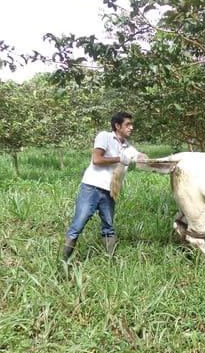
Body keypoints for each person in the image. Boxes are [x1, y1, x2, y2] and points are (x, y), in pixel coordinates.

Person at [62, 111, 146, 262]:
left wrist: (157, 161)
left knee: (108, 226)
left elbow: (140, 157)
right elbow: (97, 159)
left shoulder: (128, 147)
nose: (131, 127)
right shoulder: (105, 136)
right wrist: (119, 158)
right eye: (127, 124)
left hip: (109, 191)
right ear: (117, 126)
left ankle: (110, 261)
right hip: (91, 188)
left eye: (131, 124)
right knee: (78, 224)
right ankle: (63, 261)